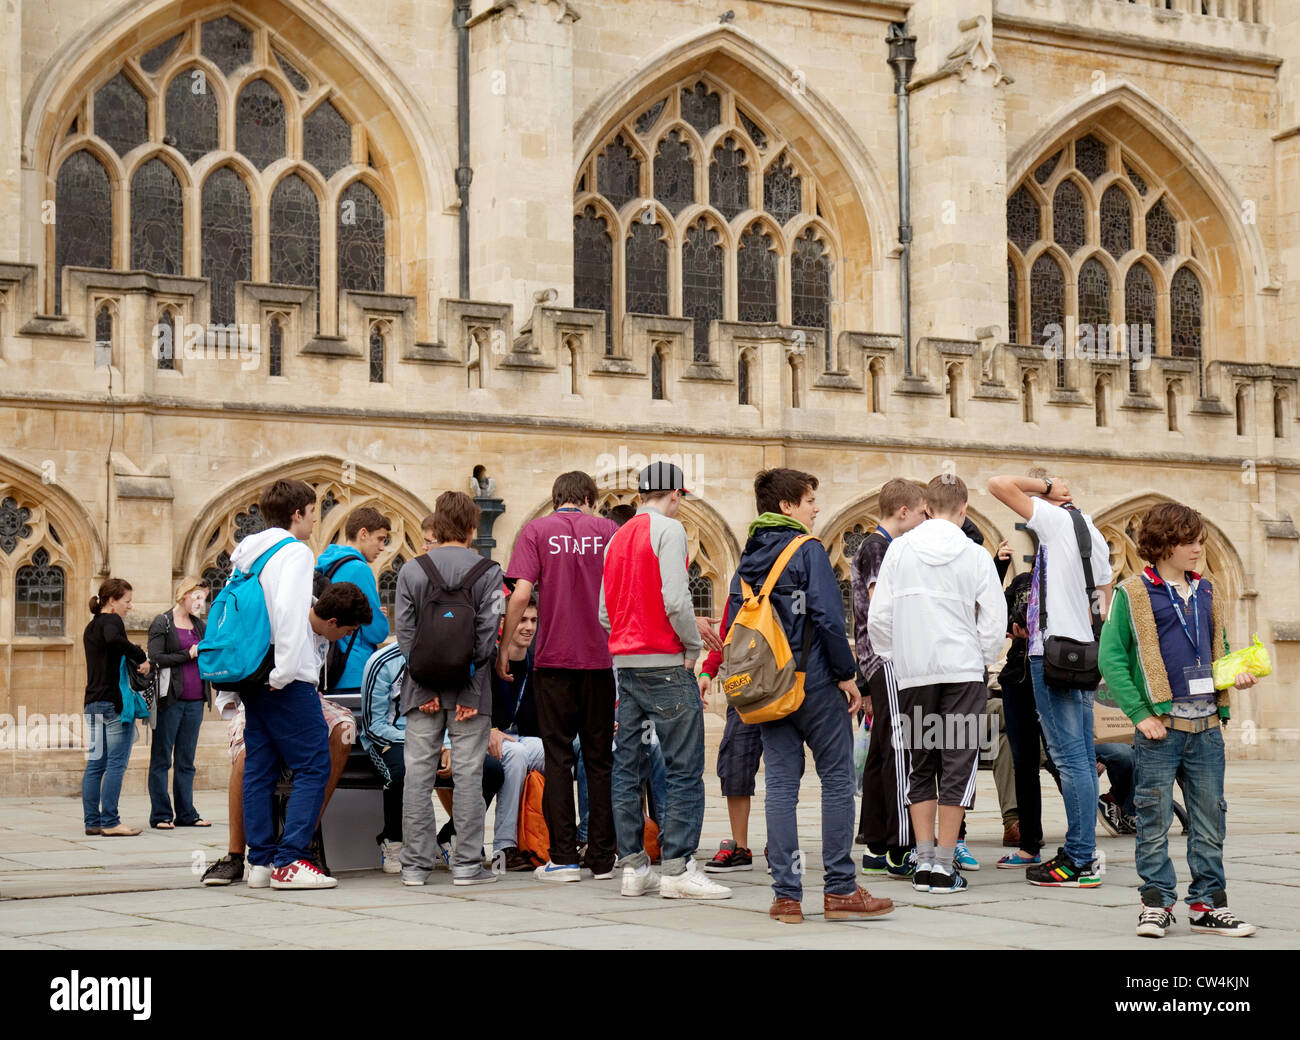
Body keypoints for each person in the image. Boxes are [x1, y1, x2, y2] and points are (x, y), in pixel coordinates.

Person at [727, 468, 893, 923]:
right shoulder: (808, 550)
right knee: (838, 780)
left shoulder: (748, 558)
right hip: (816, 683)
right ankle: (840, 889)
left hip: (768, 691)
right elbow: (825, 616)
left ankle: (786, 897)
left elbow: (732, 626)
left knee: (780, 786)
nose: (815, 508)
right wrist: (848, 676)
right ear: (786, 507)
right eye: (808, 500)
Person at [1099, 502, 1258, 938]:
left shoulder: (1206, 591)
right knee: (1153, 820)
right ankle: (1156, 903)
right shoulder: (1132, 593)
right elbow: (1110, 658)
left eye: (1200, 540)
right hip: (1161, 729)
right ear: (1165, 544)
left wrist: (1234, 676)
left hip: (1207, 727)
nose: (1197, 549)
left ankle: (1208, 904)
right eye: (1189, 541)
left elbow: (1216, 649)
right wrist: (1139, 715)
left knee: (1210, 821)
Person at [868, 475, 1006, 894]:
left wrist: (898, 655)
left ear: (926, 506)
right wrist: (982, 657)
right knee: (957, 762)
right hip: (961, 671)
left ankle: (924, 859)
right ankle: (946, 865)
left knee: (920, 761)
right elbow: (994, 620)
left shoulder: (899, 551)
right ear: (964, 509)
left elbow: (879, 617)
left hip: (914, 674)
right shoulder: (975, 554)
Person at [235, 479, 373, 890]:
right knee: (315, 764)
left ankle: (259, 863)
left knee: (259, 768)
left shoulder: (246, 552)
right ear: (297, 514)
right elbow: (288, 615)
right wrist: (284, 673)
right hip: (284, 677)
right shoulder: (294, 552)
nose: (315, 521)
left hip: (251, 675)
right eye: (313, 512)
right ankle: (290, 861)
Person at [601, 461, 728, 899]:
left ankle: (634, 867)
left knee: (627, 766)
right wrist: (693, 648)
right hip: (666, 665)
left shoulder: (616, 536)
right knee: (684, 766)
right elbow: (676, 599)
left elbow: (604, 613)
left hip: (626, 665)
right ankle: (677, 867)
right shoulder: (670, 531)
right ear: (676, 494)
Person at [988, 470, 1112, 888]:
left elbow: (998, 484)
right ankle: (1082, 851)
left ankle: (1079, 858)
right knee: (1077, 756)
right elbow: (1104, 595)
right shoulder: (1092, 531)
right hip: (1084, 654)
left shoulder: (1056, 520)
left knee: (1070, 758)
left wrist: (1044, 488)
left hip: (1053, 655)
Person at [497, 471, 619, 883]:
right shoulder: (607, 530)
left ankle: (564, 857)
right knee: (600, 760)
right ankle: (603, 858)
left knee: (559, 756)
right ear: (588, 498)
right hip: (600, 661)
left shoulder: (536, 530)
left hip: (552, 661)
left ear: (556, 500)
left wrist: (503, 647)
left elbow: (521, 592)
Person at [397, 491, 503, 887]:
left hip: (420, 691)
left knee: (418, 775)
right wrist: (472, 693)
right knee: (469, 775)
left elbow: (405, 638)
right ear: (473, 529)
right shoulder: (488, 571)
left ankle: (414, 867)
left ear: (437, 527)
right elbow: (487, 639)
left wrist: (423, 688)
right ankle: (466, 866)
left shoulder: (412, 570)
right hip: (469, 692)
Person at [851, 478, 925, 881]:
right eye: (919, 513)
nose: (922, 521)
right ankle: (901, 846)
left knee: (881, 752)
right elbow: (883, 605)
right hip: (887, 657)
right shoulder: (880, 547)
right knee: (899, 751)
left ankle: (876, 843)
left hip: (877, 659)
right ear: (903, 512)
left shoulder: (876, 545)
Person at [995, 571, 1060, 869]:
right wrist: (1014, 625)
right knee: (1024, 765)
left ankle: (1080, 844)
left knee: (1063, 762)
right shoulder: (1022, 581)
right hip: (1018, 678)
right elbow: (998, 610)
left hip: (1056, 676)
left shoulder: (1066, 578)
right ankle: (1029, 844)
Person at [82, 578, 150, 836]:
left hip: (92, 703)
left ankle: (92, 822)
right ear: (112, 601)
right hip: (113, 704)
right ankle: (110, 821)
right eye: (127, 601)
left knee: (95, 764)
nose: (129, 607)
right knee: (116, 764)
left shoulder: (91, 627)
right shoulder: (112, 621)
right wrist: (140, 654)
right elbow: (114, 640)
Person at [146, 577, 212, 829]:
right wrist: (188, 654)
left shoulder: (200, 626)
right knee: (162, 758)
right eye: (197, 596)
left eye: (204, 597)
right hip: (170, 700)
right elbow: (156, 658)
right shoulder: (162, 622)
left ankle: (186, 813)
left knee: (186, 760)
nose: (200, 602)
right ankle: (161, 814)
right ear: (184, 595)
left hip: (196, 700)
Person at [489, 596, 546, 870]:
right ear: (504, 623)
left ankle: (550, 841)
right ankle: (503, 848)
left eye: (533, 620)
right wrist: (488, 729)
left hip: (522, 737)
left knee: (556, 753)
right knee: (516, 755)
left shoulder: (537, 664)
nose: (528, 627)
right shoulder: (488, 660)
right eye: (522, 619)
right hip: (486, 737)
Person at [315, 506, 392, 694]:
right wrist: (379, 619)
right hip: (354, 670)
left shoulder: (328, 563)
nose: (382, 547)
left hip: (329, 667)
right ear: (363, 534)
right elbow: (377, 631)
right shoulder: (359, 569)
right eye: (380, 539)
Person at [360, 640, 408, 872]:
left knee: (490, 770)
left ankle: (449, 837)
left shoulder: (447, 654)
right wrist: (417, 741)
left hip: (436, 740)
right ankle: (393, 839)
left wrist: (446, 745)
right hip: (389, 738)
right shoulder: (383, 661)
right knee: (402, 770)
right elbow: (373, 725)